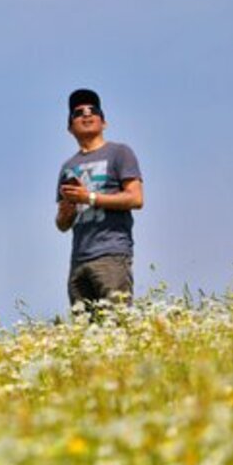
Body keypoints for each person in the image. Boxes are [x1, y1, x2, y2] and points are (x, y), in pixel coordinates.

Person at [55, 88, 144, 310]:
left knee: (117, 321)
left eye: (93, 110)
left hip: (111, 253)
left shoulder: (120, 152)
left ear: (104, 123)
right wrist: (66, 212)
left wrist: (90, 197)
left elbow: (136, 198)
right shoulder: (67, 167)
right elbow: (62, 225)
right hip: (78, 259)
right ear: (70, 128)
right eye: (78, 113)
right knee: (86, 327)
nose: (86, 114)